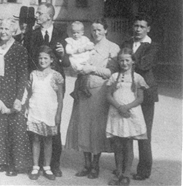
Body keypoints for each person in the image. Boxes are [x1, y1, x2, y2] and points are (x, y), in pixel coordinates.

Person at [65, 18, 120, 179]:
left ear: (106, 30)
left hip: (99, 91)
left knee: (96, 129)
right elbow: (74, 64)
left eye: (99, 30)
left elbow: (112, 72)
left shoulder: (112, 48)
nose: (96, 33)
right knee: (83, 127)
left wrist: (93, 68)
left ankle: (95, 165)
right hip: (83, 89)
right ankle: (86, 164)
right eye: (93, 30)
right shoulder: (85, 45)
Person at [24, 2, 70, 177]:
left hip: (55, 83)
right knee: (35, 123)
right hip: (37, 84)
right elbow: (28, 60)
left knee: (54, 122)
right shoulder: (32, 35)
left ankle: (53, 164)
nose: (37, 16)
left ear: (50, 16)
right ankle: (36, 164)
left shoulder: (61, 34)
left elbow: (66, 63)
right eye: (37, 12)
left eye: (40, 13)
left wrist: (62, 54)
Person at [0, 18, 32, 176]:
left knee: (15, 130)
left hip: (12, 93)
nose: (3, 31)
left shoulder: (19, 49)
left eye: (7, 29)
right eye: (1, 28)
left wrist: (19, 98)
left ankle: (15, 164)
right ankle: (1, 162)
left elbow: (22, 76)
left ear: (14, 32)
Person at [120, 13, 159, 180]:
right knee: (124, 132)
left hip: (146, 93)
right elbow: (120, 63)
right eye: (136, 26)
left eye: (142, 26)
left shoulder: (153, 46)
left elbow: (144, 64)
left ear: (148, 29)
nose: (138, 29)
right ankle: (123, 168)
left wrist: (126, 60)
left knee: (144, 133)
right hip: (126, 92)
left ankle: (144, 170)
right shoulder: (127, 42)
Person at [106, 48, 149, 186]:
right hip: (116, 113)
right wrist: (119, 107)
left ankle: (126, 174)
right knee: (117, 144)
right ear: (118, 62)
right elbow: (108, 95)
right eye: (121, 60)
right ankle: (118, 172)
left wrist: (127, 107)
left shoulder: (137, 78)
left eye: (127, 60)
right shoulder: (114, 77)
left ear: (133, 61)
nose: (124, 63)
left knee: (128, 144)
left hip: (130, 114)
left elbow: (140, 98)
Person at [23, 46, 64, 181]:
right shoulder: (33, 74)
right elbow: (29, 94)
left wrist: (58, 114)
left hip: (49, 112)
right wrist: (27, 108)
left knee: (48, 140)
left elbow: (60, 98)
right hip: (35, 110)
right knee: (35, 139)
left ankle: (47, 167)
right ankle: (35, 166)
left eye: (45, 58)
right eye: (40, 58)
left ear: (52, 60)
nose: (42, 60)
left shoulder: (56, 75)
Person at [66, 21, 94, 98]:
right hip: (76, 59)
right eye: (74, 33)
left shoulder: (85, 39)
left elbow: (90, 45)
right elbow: (68, 50)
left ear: (82, 32)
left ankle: (76, 90)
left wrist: (91, 48)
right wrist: (77, 50)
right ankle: (83, 88)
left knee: (82, 75)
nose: (75, 35)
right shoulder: (70, 41)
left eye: (78, 33)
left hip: (84, 57)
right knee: (83, 73)